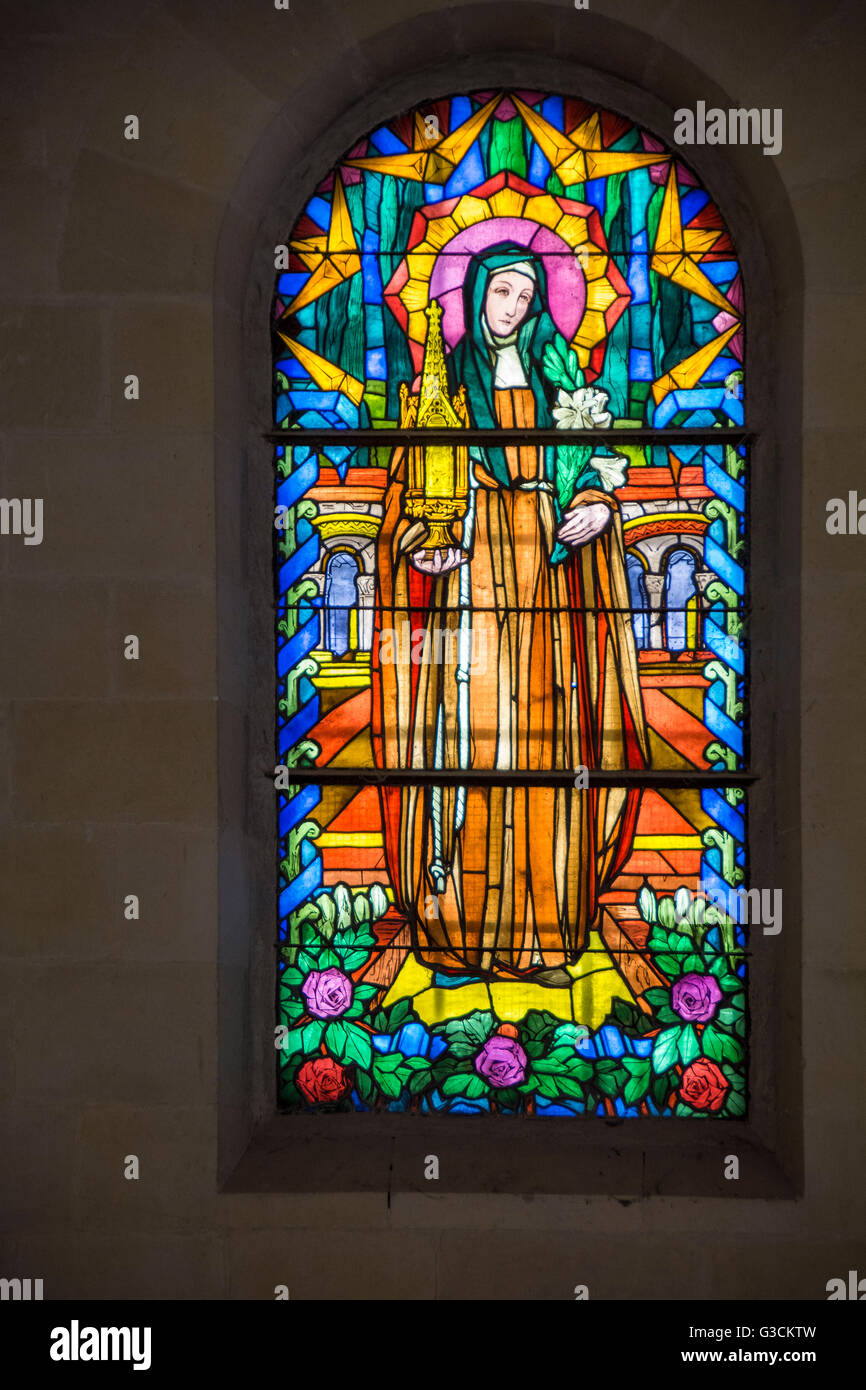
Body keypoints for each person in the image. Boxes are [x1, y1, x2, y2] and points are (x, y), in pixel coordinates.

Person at [371, 243, 648, 983]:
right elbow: (408, 500)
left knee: (545, 751)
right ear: (474, 296)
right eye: (503, 293)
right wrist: (418, 544)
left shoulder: (564, 382)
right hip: (474, 590)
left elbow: (592, 472)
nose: (514, 308)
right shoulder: (444, 387)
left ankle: (544, 939)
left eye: (527, 297)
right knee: (473, 748)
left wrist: (593, 507)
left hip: (548, 593)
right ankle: (462, 934)